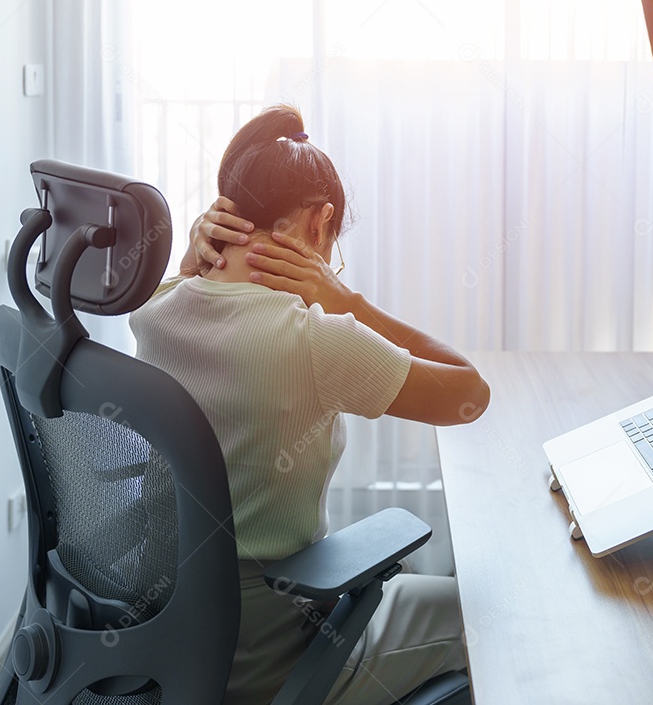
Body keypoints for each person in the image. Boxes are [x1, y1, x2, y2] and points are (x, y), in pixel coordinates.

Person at [129, 104, 490, 705]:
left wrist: (195, 260)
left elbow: (190, 289)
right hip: (274, 657)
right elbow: (470, 394)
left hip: (169, 641)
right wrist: (349, 302)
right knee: (482, 612)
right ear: (320, 224)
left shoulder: (156, 311)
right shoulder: (317, 338)